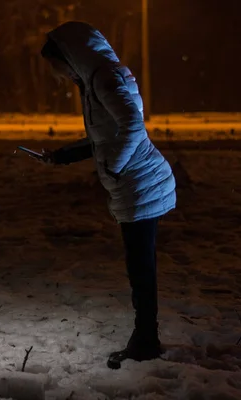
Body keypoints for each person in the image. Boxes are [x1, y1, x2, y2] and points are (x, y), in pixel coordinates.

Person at [38, 21, 177, 369]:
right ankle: (145, 338)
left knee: (141, 269)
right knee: (141, 267)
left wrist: (114, 167)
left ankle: (146, 342)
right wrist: (64, 155)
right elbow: (107, 136)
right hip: (135, 183)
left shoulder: (105, 78)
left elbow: (132, 125)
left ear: (72, 57)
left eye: (59, 67)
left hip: (139, 183)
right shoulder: (98, 79)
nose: (59, 75)